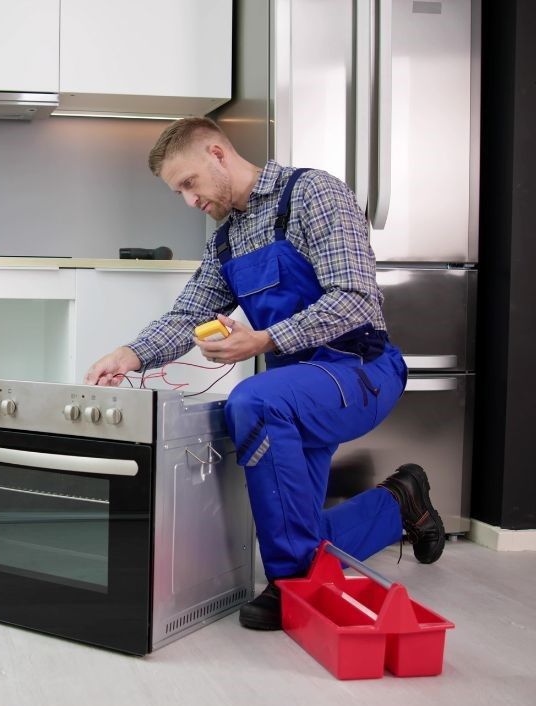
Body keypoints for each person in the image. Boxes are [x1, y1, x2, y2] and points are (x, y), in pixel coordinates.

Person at [83, 117, 446, 631]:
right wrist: (129, 354)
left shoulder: (313, 193)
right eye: (177, 192)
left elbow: (356, 298)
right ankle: (400, 501)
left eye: (189, 183)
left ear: (217, 153)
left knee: (251, 401)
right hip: (296, 387)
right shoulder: (226, 240)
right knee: (301, 532)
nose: (188, 200)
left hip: (359, 370)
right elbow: (189, 316)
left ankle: (290, 587)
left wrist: (264, 339)